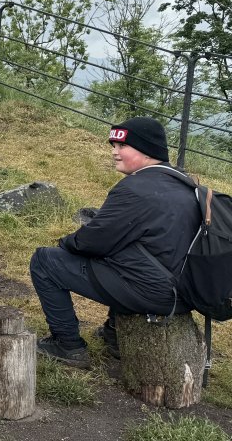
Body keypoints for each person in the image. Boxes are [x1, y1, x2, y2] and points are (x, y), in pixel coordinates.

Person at [29, 117, 201, 368]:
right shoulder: (186, 184)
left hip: (156, 294)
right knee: (123, 255)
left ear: (147, 150)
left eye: (123, 146)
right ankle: (114, 335)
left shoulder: (135, 188)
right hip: (185, 292)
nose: (114, 152)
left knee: (45, 261)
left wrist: (65, 243)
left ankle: (67, 345)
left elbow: (92, 242)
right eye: (114, 145)